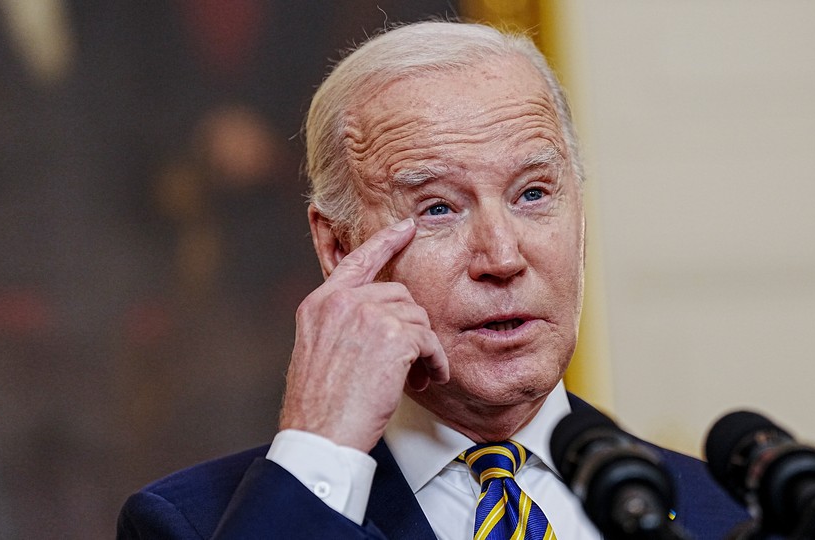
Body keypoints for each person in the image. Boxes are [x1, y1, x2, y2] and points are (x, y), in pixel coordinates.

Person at [117, 21, 747, 539]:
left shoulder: (725, 516)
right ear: (338, 248)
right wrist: (318, 457)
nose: (502, 257)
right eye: (438, 208)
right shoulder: (190, 524)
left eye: (532, 194)